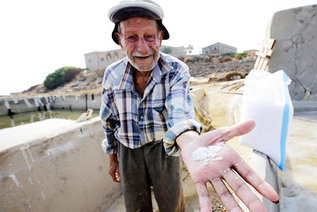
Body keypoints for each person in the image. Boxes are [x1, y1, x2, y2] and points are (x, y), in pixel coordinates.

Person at [100, 0, 279, 211]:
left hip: (164, 148)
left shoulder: (176, 70)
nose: (142, 47)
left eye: (149, 36)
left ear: (160, 37)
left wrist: (192, 144)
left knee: (172, 204)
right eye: (131, 37)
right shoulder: (111, 74)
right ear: (120, 41)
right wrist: (113, 157)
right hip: (127, 149)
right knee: (135, 206)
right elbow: (109, 120)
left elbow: (180, 113)